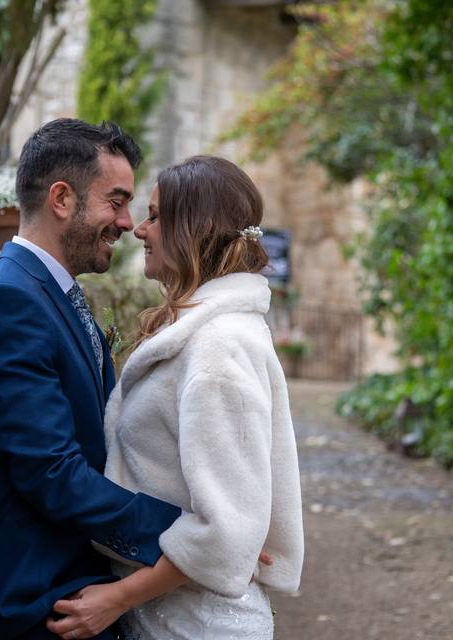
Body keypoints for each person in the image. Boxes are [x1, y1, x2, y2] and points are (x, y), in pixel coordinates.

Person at [45, 156, 304, 640]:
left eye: (156, 215)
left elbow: (228, 533)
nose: (139, 229)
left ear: (198, 229)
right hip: (178, 614)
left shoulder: (218, 348)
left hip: (198, 625)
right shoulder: (203, 334)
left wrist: (114, 600)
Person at [0, 118, 182, 639]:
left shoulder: (49, 295)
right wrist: (186, 533)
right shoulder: (6, 304)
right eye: (115, 201)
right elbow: (51, 472)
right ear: (61, 199)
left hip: (65, 598)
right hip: (29, 606)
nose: (126, 222)